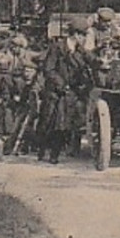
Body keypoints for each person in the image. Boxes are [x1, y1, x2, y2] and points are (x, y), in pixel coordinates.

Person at [37, 17, 94, 164]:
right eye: (83, 35)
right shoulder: (57, 47)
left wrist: (102, 61)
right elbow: (49, 69)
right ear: (75, 35)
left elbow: (91, 59)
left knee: (63, 126)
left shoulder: (80, 50)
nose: (84, 39)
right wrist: (61, 85)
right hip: (55, 92)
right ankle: (42, 150)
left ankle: (54, 155)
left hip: (70, 94)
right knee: (48, 123)